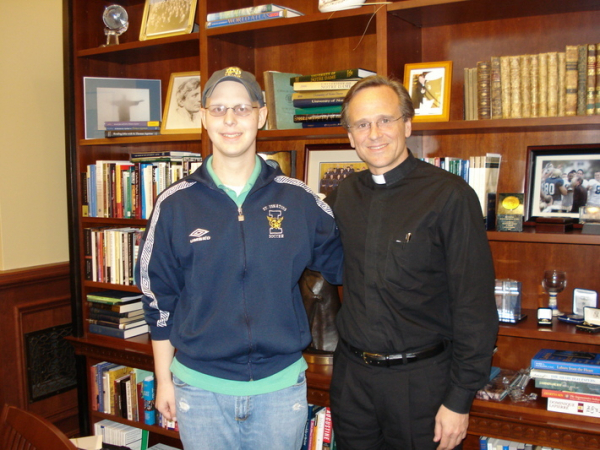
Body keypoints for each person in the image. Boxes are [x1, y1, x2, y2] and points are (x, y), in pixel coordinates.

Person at [135, 66, 343, 450]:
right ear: (203, 117)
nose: (230, 119)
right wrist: (163, 379)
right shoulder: (175, 204)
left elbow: (348, 262)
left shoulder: (299, 199)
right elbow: (158, 298)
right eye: (218, 109)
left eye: (242, 108)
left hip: (280, 389)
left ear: (261, 115)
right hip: (200, 389)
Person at [325, 75, 499, 450]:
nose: (374, 134)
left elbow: (475, 306)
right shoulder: (343, 195)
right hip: (352, 381)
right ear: (350, 137)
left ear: (407, 125)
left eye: (385, 120)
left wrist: (459, 399)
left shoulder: (450, 196)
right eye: (362, 124)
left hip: (422, 385)